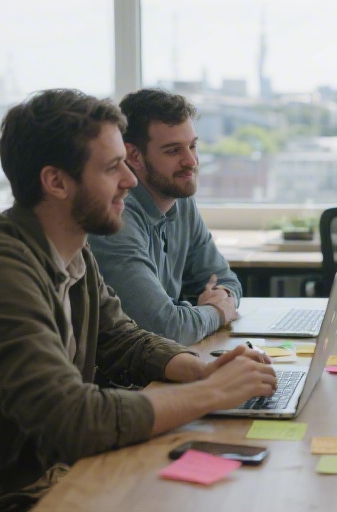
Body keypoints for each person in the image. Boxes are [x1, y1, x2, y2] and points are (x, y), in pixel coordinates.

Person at [0, 89, 277, 512]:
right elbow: (75, 420)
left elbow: (123, 339)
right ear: (56, 182)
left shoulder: (70, 248)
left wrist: (200, 370)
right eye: (113, 168)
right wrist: (211, 394)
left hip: (44, 484)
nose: (131, 179)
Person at [89, 88, 241, 346]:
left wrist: (222, 296)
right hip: (124, 377)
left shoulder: (181, 200)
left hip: (161, 362)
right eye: (173, 151)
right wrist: (217, 312)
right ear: (134, 156)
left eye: (193, 146)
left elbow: (226, 280)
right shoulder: (117, 214)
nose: (191, 161)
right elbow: (166, 327)